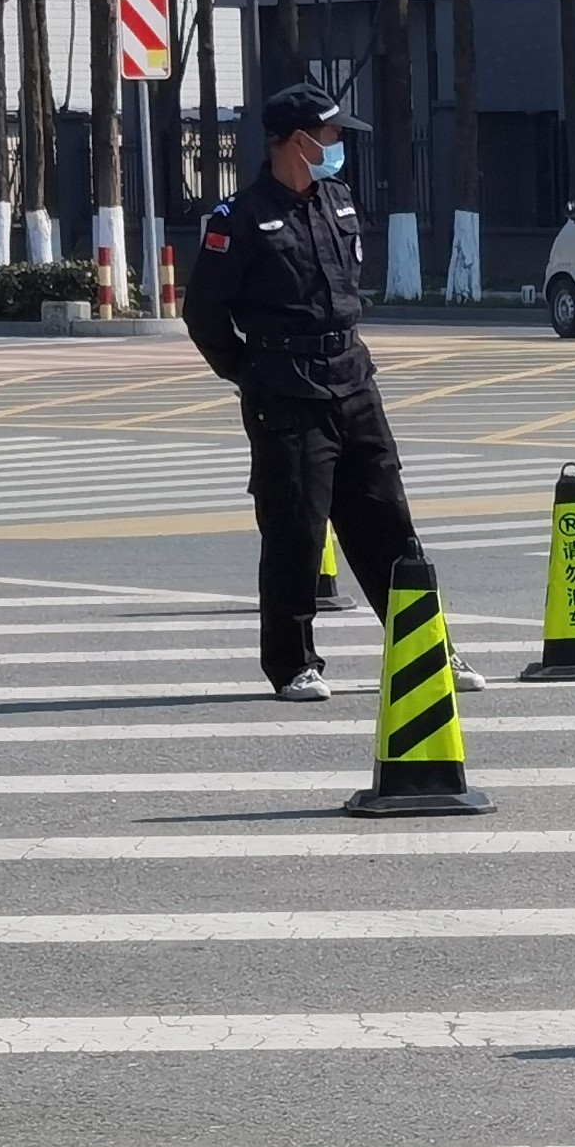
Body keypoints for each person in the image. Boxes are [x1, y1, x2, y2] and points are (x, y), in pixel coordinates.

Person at [185, 82, 478, 703]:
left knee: (389, 522)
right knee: (295, 530)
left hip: (353, 379)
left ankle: (427, 648)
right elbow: (205, 315)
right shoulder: (239, 220)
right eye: (331, 134)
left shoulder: (337, 201)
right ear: (299, 142)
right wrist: (252, 374)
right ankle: (293, 664)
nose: (339, 143)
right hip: (286, 392)